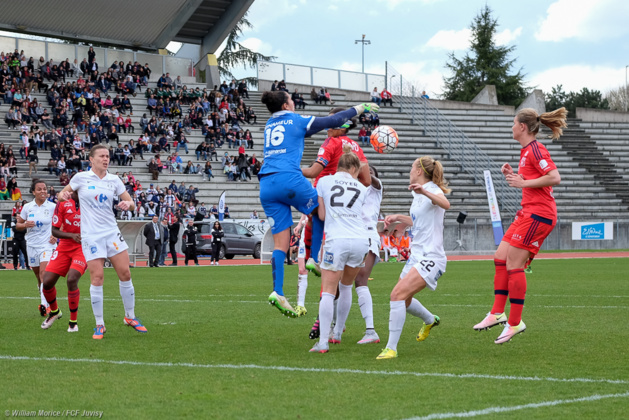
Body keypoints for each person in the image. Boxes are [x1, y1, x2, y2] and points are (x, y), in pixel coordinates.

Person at [259, 89, 378, 318]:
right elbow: (332, 120)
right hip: (290, 179)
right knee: (321, 212)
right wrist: (360, 109)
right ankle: (314, 257)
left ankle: (278, 291)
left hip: (267, 184)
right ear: (285, 106)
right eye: (291, 100)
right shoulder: (294, 119)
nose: (294, 103)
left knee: (279, 245)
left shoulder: (268, 125)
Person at [473, 107, 566, 344]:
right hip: (527, 213)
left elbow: (555, 177)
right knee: (500, 257)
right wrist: (515, 176)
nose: (512, 127)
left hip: (539, 214)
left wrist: (522, 183)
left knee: (514, 264)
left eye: (513, 123)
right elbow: (534, 181)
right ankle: (497, 313)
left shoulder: (536, 148)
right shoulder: (526, 151)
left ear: (522, 127)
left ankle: (515, 323)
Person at [58, 144, 147, 339]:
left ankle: (130, 317)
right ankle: (100, 324)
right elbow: (61, 194)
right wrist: (63, 195)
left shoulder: (114, 180)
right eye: (102, 156)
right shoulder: (80, 178)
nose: (106, 159)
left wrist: (127, 204)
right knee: (97, 278)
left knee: (125, 273)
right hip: (91, 236)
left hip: (111, 232)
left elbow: (131, 204)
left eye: (107, 156)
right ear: (91, 159)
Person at [377, 156, 451, 360]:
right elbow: (419, 221)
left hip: (432, 256)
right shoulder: (417, 194)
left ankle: (391, 348)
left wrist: (425, 192)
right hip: (416, 255)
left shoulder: (431, 190)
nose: (410, 170)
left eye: (412, 167)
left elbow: (446, 204)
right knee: (405, 300)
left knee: (396, 295)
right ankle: (430, 319)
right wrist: (398, 218)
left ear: (419, 170)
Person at [310, 146, 369, 353]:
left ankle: (323, 342)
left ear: (339, 166)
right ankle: (337, 334)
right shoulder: (362, 188)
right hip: (361, 240)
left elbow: (323, 216)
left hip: (337, 239)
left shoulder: (324, 182)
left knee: (328, 291)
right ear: (353, 168)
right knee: (346, 287)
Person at [40, 193, 85, 332]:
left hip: (83, 247)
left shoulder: (91, 202)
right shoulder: (62, 203)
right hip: (64, 246)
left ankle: (73, 322)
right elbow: (54, 230)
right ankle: (55, 312)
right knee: (46, 283)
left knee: (72, 279)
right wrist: (71, 235)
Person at [16, 179, 57, 316]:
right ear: (33, 192)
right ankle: (43, 294)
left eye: (44, 189)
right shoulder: (28, 207)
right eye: (39, 189)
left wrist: (56, 236)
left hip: (47, 245)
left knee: (44, 274)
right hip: (32, 245)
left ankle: (45, 306)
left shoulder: (52, 206)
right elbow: (18, 225)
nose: (43, 191)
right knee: (38, 277)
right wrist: (25, 225)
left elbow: (60, 224)